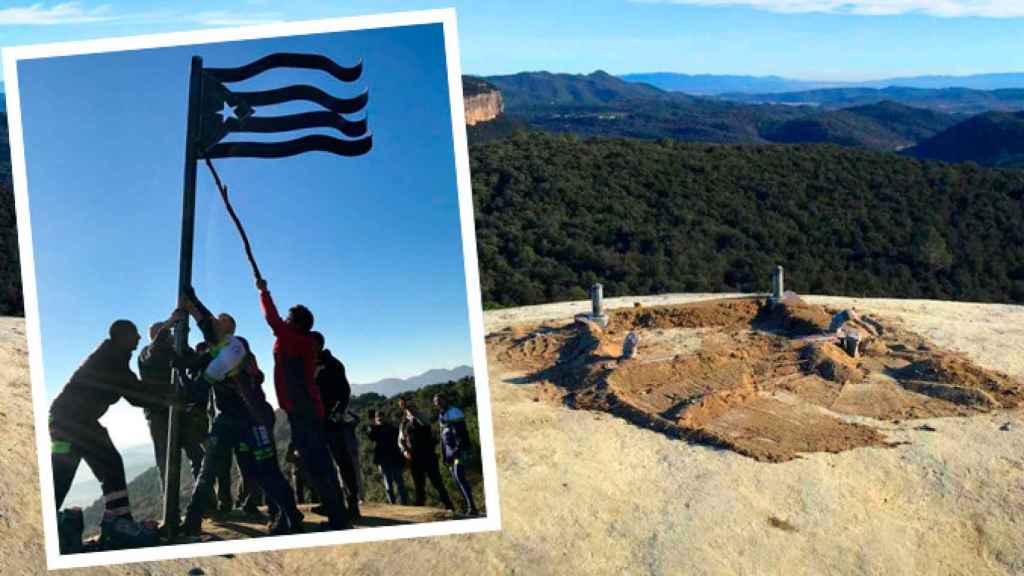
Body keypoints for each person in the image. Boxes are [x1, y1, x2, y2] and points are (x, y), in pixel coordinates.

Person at [179, 287, 302, 536]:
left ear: (230, 329)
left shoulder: (238, 346)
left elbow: (208, 331)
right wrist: (192, 301)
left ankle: (290, 517)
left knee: (266, 473)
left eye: (223, 321)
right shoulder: (214, 350)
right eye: (217, 320)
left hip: (253, 418)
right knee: (208, 469)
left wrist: (194, 303)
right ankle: (192, 521)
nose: (216, 322)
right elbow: (203, 329)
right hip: (228, 419)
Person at [49, 318, 178, 536]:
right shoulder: (111, 361)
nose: (138, 337)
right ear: (122, 337)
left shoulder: (111, 357)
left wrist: (167, 394)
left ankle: (117, 521)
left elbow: (135, 389)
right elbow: (136, 394)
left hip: (69, 421)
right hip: (72, 423)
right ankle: (117, 523)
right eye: (134, 333)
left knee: (76, 472)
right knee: (93, 469)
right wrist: (172, 395)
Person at [256, 277, 351, 530]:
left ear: (297, 324)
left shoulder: (296, 340)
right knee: (318, 463)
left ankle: (338, 520)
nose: (285, 321)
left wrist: (263, 291)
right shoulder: (300, 342)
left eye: (289, 319)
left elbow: (272, 320)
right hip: (304, 410)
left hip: (304, 410)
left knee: (316, 464)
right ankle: (338, 516)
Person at [137, 318, 207, 497]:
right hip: (158, 414)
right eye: (164, 333)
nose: (168, 335)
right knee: (166, 462)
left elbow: (193, 363)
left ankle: (205, 502)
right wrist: (170, 323)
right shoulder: (146, 353)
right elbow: (154, 351)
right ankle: (171, 511)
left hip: (180, 410)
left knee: (197, 456)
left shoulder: (174, 353)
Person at [310, 331, 361, 519]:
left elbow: (344, 392)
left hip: (331, 422)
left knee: (342, 462)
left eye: (311, 343)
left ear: (319, 345)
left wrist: (337, 414)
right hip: (315, 423)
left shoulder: (333, 365)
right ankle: (330, 503)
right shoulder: (307, 365)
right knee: (322, 464)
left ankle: (353, 504)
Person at [397, 399, 454, 511]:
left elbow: (425, 423)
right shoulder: (403, 424)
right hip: (414, 459)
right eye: (408, 408)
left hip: (428, 456)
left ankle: (448, 505)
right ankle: (421, 508)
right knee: (418, 485)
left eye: (412, 407)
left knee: (437, 482)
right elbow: (400, 440)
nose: (410, 409)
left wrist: (412, 411)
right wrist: (404, 451)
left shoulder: (422, 417)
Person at [434, 394, 479, 516]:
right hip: (449, 454)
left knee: (460, 476)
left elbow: (462, 433)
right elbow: (443, 437)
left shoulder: (454, 412)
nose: (438, 404)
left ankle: (472, 507)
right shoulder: (441, 415)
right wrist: (444, 455)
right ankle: (470, 508)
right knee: (456, 479)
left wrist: (458, 450)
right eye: (436, 402)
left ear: (445, 399)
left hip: (459, 452)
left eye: (440, 401)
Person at [365, 408, 408, 505]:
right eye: (378, 417)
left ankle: (405, 504)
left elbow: (399, 440)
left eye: (381, 416)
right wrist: (373, 424)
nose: (380, 418)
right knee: (388, 484)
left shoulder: (392, 428)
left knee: (399, 482)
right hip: (383, 460)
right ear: (376, 419)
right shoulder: (374, 429)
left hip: (394, 458)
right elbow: (371, 436)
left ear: (385, 417)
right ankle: (393, 505)